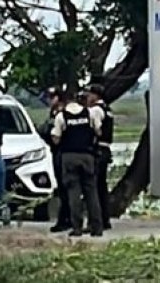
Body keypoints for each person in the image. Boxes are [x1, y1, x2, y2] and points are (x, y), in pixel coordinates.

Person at [51, 90, 103, 237]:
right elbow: (98, 131)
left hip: (69, 157)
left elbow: (56, 138)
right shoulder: (90, 113)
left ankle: (77, 228)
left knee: (73, 192)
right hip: (87, 156)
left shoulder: (61, 116)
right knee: (91, 192)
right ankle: (97, 227)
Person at [38, 87, 71, 233]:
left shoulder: (62, 115)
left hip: (62, 153)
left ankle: (65, 219)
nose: (49, 101)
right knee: (62, 188)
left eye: (51, 98)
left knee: (65, 188)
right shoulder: (53, 114)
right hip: (56, 152)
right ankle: (65, 218)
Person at [86, 84, 114, 231]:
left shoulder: (96, 110)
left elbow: (94, 130)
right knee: (102, 187)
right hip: (106, 149)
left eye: (90, 95)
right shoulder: (108, 110)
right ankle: (105, 219)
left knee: (93, 188)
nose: (88, 98)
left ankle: (94, 221)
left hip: (97, 151)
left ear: (96, 95)